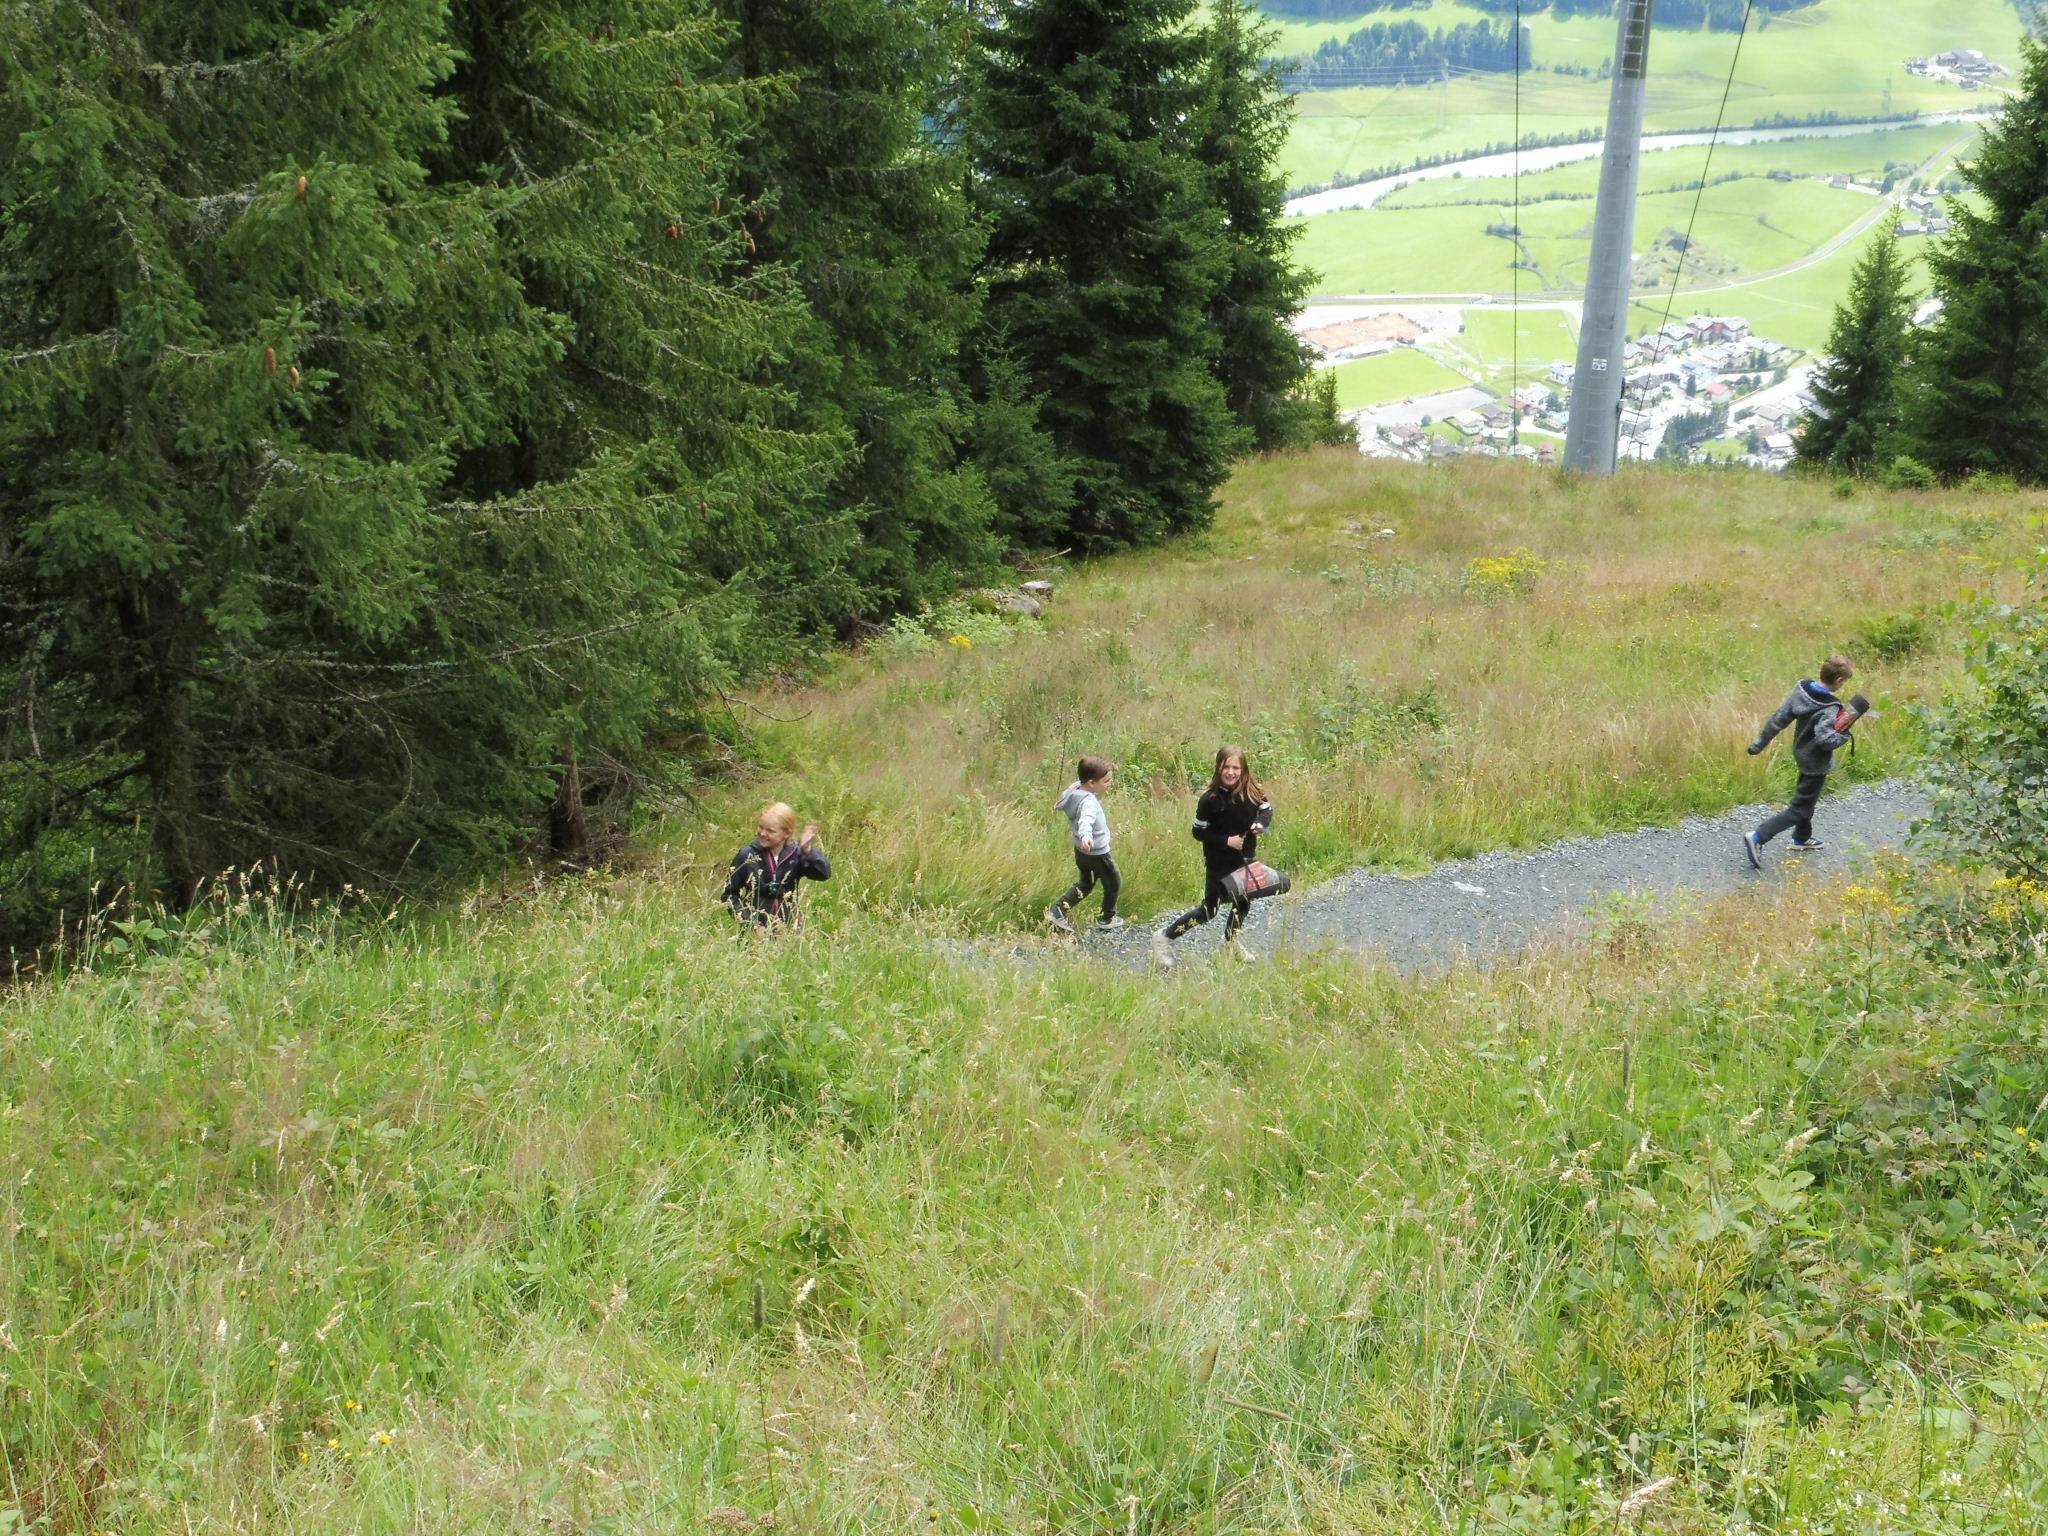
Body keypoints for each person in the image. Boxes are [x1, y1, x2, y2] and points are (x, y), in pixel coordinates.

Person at [1154, 745, 1287, 965]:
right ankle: (1164, 937)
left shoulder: (1253, 791)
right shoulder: (1210, 799)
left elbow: (1266, 809)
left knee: (1243, 902)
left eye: (1236, 767)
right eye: (1227, 767)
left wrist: (1260, 824)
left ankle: (1231, 943)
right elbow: (1198, 831)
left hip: (1244, 859)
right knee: (1209, 910)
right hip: (1218, 864)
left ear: (1243, 770)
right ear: (1218, 768)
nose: (1231, 772)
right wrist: (1227, 841)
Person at [1743, 655, 1871, 867]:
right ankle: (1758, 836)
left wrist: (1760, 743)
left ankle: (1801, 838)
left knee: (1807, 799)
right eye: (1845, 681)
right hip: (1815, 762)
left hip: (1801, 753)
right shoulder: (1829, 706)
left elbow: (1779, 718)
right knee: (1800, 808)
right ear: (1839, 681)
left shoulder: (1802, 690)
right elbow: (1825, 740)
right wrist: (1844, 735)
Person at [1045, 756, 1122, 935]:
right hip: (1097, 853)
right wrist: (1086, 836)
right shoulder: (1088, 802)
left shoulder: (1075, 789)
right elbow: (1085, 820)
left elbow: (1072, 797)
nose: (1110, 783)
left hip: (1081, 852)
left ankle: (1057, 912)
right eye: (1106, 780)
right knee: (1114, 881)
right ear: (1091, 783)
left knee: (1085, 883)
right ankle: (1107, 918)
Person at [722, 802, 831, 928]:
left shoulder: (796, 854)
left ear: (787, 833)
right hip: (755, 934)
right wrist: (751, 925)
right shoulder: (747, 855)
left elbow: (824, 874)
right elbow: (729, 895)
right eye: (761, 827)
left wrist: (808, 850)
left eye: (770, 831)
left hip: (789, 930)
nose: (762, 833)